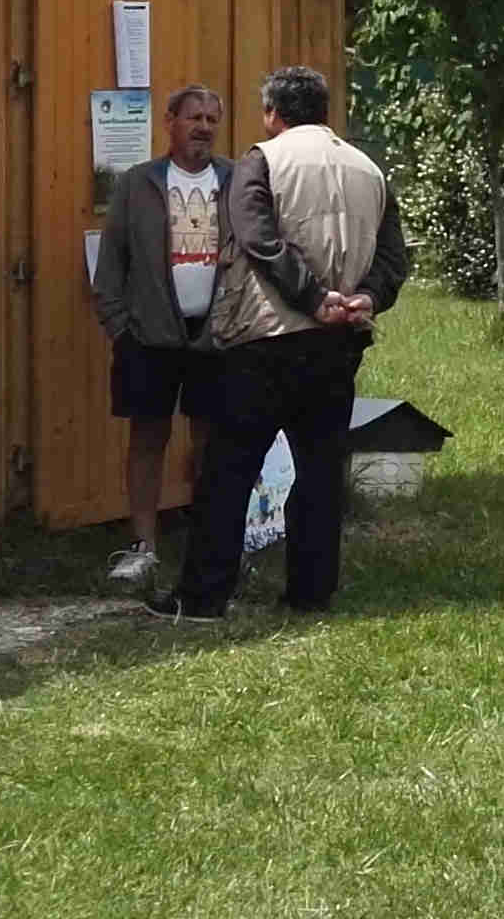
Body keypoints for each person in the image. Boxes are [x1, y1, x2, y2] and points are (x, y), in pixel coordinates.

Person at [154, 66, 409, 624]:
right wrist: (364, 298)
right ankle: (311, 593)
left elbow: (258, 240)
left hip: (267, 341)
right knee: (321, 472)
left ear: (272, 114)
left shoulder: (262, 161)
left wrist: (312, 297)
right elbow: (395, 257)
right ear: (324, 110)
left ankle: (201, 598)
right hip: (340, 343)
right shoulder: (369, 168)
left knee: (228, 471)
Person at [92, 84, 235, 586]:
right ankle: (143, 546)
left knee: (211, 443)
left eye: (212, 119)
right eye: (193, 116)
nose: (203, 127)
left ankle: (210, 542)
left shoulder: (236, 181)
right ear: (169, 121)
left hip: (215, 339)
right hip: (148, 339)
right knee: (147, 439)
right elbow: (109, 267)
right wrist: (121, 329)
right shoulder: (138, 183)